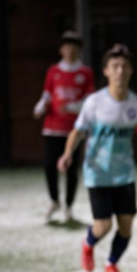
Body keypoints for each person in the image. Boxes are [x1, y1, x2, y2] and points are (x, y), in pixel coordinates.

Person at [58, 44, 137, 272]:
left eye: (124, 66)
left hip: (124, 174)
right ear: (106, 71)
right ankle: (88, 243)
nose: (120, 71)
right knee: (103, 227)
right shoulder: (94, 103)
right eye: (115, 66)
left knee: (126, 226)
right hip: (98, 174)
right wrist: (67, 153)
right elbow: (77, 132)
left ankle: (111, 263)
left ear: (130, 70)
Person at [32, 31, 95, 222]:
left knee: (71, 168)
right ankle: (54, 200)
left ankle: (69, 205)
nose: (70, 50)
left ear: (79, 50)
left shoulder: (85, 73)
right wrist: (39, 107)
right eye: (67, 46)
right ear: (61, 49)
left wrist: (71, 107)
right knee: (50, 165)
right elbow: (47, 96)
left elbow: (90, 101)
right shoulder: (53, 71)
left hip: (74, 130)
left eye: (74, 46)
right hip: (52, 128)